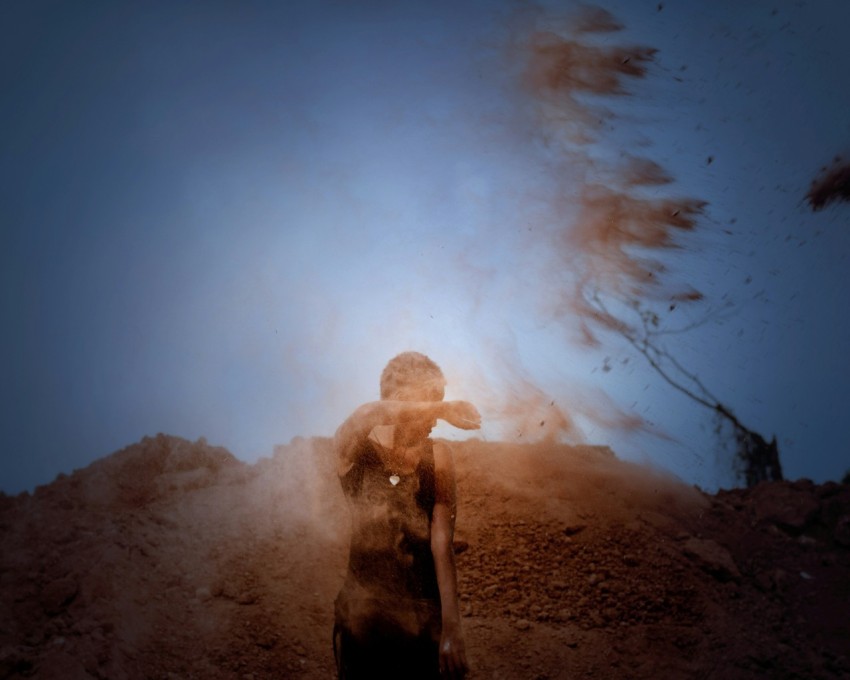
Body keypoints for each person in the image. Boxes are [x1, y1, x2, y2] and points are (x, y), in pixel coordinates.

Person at [333, 352, 480, 679]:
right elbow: (368, 413)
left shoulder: (438, 456)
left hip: (423, 624)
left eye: (437, 406)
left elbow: (441, 546)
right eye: (428, 405)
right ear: (400, 400)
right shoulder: (353, 449)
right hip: (362, 622)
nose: (434, 420)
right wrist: (444, 408)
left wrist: (453, 630)